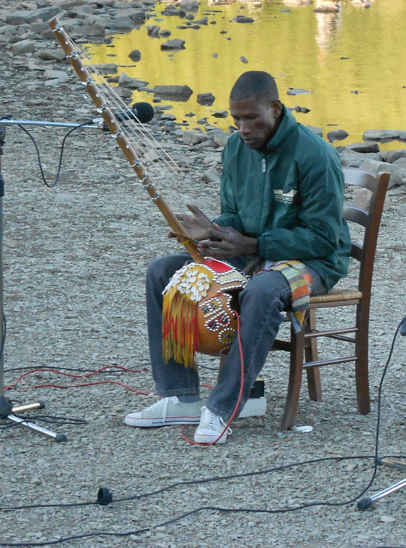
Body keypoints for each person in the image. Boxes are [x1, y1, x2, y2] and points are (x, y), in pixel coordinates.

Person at [124, 70, 351, 443]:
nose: (243, 128)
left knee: (262, 292)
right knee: (163, 272)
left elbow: (325, 239)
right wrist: (214, 232)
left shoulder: (315, 154)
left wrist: (253, 245)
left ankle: (223, 407)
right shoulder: (235, 148)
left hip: (314, 261)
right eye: (236, 120)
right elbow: (234, 215)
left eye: (251, 118)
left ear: (275, 109)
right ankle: (181, 396)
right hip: (253, 249)